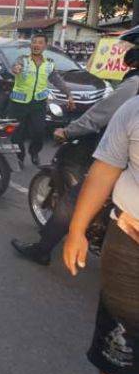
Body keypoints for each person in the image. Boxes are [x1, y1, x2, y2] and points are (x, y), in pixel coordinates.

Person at [11, 48, 139, 266]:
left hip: (120, 162)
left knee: (74, 199)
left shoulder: (133, 86)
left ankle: (43, 249)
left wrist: (69, 131)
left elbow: (100, 114)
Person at [64, 92, 139, 374]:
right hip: (127, 254)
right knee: (118, 365)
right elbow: (105, 169)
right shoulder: (132, 109)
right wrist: (76, 230)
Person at [9, 33, 74, 166]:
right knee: (17, 134)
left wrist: (69, 95)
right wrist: (16, 69)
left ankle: (34, 152)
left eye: (40, 42)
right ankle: (19, 156)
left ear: (45, 46)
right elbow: (15, 67)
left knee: (39, 131)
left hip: (38, 103)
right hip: (19, 103)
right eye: (34, 42)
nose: (36, 45)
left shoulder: (49, 64)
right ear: (31, 44)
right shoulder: (22, 59)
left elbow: (57, 80)